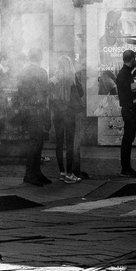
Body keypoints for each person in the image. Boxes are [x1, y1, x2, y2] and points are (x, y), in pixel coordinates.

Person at [18, 49, 50, 187]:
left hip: (27, 109)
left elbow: (20, 90)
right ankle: (31, 174)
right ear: (40, 58)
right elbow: (44, 91)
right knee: (36, 143)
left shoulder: (23, 71)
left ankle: (35, 173)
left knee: (35, 141)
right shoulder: (42, 72)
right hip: (36, 110)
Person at [50, 54, 82, 182]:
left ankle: (62, 172)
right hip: (69, 114)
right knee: (69, 144)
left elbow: (50, 96)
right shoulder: (73, 78)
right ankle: (70, 174)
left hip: (57, 114)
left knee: (59, 144)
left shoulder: (54, 79)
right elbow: (81, 93)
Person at [115, 49, 136, 177]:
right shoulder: (125, 75)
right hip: (130, 108)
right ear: (132, 59)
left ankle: (126, 167)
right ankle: (126, 167)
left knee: (128, 138)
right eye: (135, 59)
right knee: (128, 139)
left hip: (129, 108)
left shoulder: (124, 73)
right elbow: (128, 93)